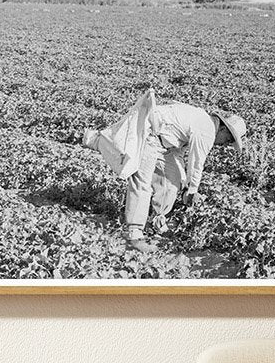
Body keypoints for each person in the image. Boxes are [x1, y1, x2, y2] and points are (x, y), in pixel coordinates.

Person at [84, 93, 247, 253]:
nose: (224, 144)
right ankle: (134, 234)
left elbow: (179, 154)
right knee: (142, 184)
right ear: (224, 129)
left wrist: (184, 183)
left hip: (164, 146)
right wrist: (192, 191)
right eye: (228, 140)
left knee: (171, 183)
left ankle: (157, 220)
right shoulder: (207, 130)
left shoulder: (203, 122)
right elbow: (196, 163)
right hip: (150, 137)